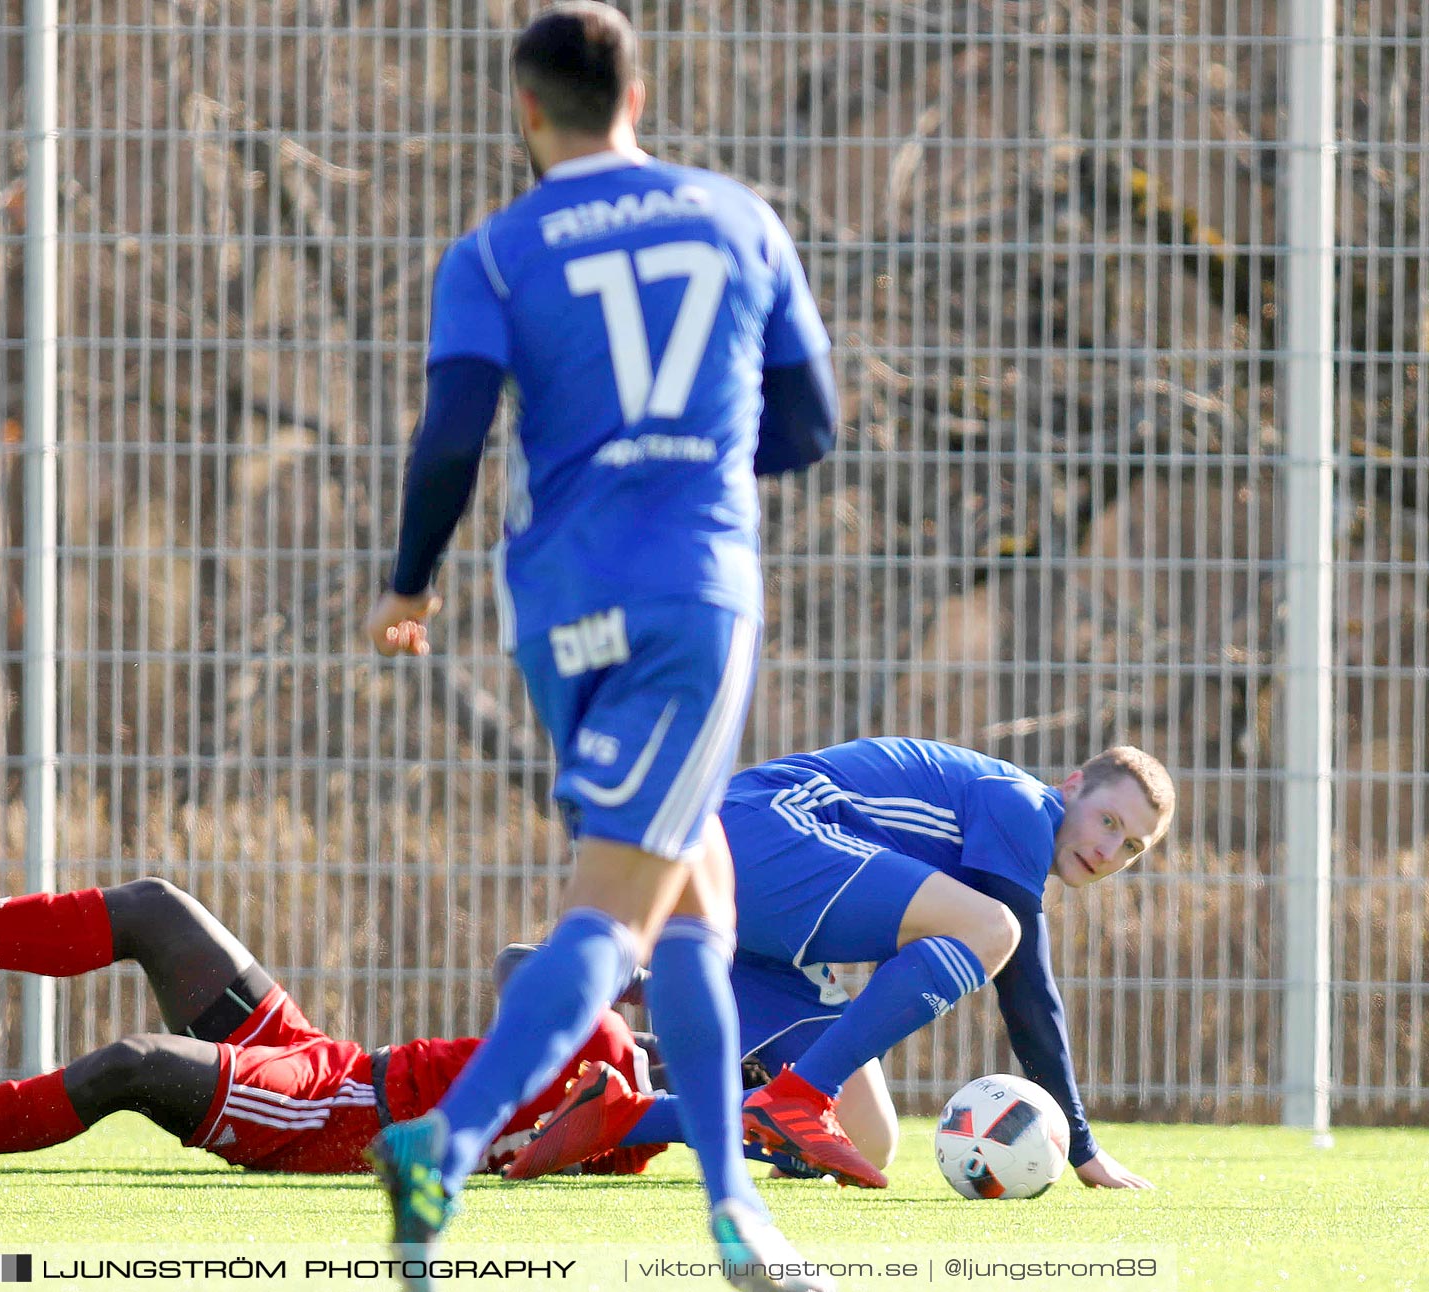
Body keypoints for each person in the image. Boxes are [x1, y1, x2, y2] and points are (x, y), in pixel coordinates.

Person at [358, 4, 837, 1287]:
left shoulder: (497, 251)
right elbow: (810, 420)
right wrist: (709, 463)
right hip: (689, 597)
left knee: (698, 894)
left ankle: (737, 1216)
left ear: (526, 112)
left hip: (557, 613)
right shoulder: (738, 217)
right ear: (642, 92)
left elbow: (451, 432)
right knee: (620, 911)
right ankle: (442, 1144)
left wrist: (408, 585)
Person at [0, 835, 655, 1178]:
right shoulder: (625, 1063)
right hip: (335, 1066)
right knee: (155, 907)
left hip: (331, 1117)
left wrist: (626, 979)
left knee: (131, 1066)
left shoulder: (615, 1054)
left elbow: (518, 965)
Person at [503, 738, 1174, 1191]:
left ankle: (626, 1109)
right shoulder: (1025, 807)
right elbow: (1027, 987)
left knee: (868, 1142)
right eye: (1110, 822)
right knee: (994, 929)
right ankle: (764, 1070)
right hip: (763, 834)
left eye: (1134, 847)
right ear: (1073, 785)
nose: (1112, 849)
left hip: (760, 918)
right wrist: (1081, 1149)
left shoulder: (1023, 840)